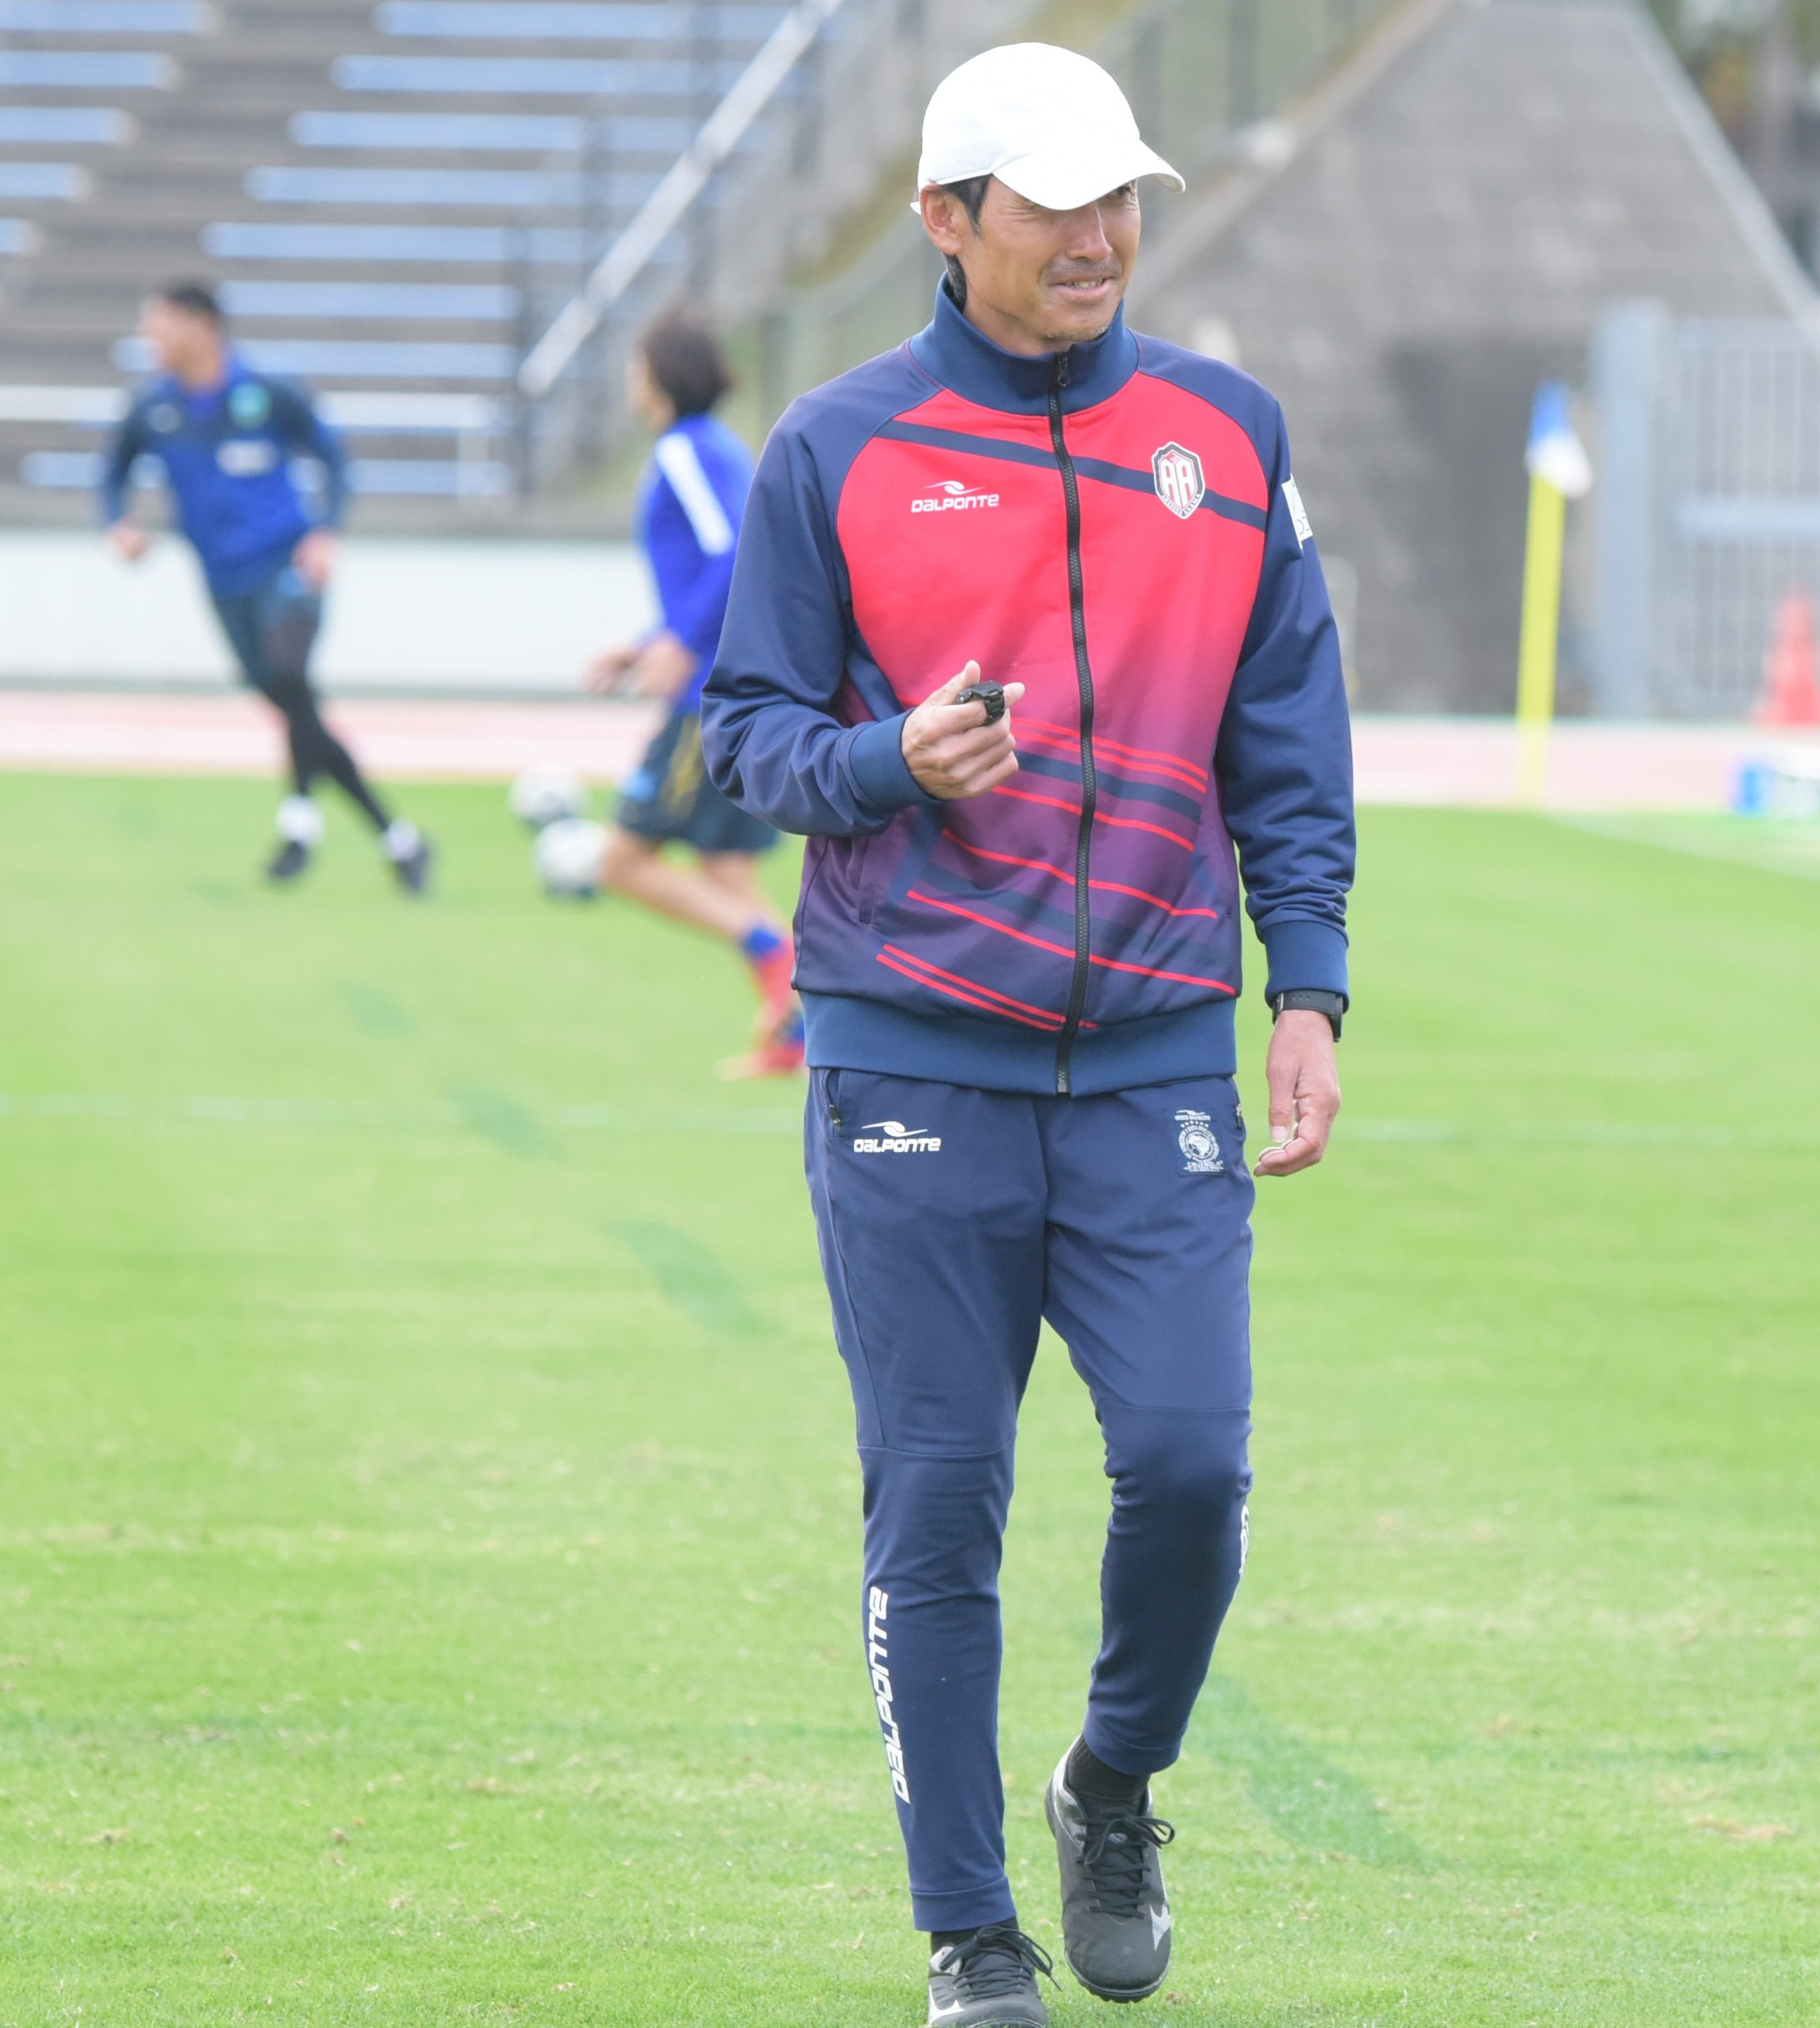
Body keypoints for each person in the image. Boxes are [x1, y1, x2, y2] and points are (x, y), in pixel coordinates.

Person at [700, 43, 1354, 2028]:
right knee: (937, 1500)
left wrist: (1306, 984)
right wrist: (885, 762)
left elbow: (1286, 737)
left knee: (1189, 1463)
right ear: (946, 219)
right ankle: (970, 1931)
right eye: (1055, 201)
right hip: (911, 1057)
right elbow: (743, 740)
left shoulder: (1225, 436)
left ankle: (1111, 1782)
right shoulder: (835, 447)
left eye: (1118, 195)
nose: (1099, 234)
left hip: (1154, 1056)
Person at [101, 279, 433, 894]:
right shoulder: (154, 408)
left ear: (202, 326)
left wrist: (326, 532)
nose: (150, 338)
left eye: (159, 324)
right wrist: (117, 525)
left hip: (287, 564)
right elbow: (113, 470)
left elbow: (333, 458)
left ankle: (299, 823)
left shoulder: (268, 391)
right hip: (222, 580)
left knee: (287, 674)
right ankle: (399, 839)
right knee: (293, 703)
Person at [581, 308, 802, 1078]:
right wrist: (649, 640)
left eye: (635, 365)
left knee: (620, 861)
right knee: (725, 867)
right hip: (738, 682)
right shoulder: (720, 446)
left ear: (656, 376)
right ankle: (797, 1029)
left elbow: (736, 547)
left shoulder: (681, 449)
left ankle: (772, 954)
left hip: (705, 699)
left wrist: (678, 640)